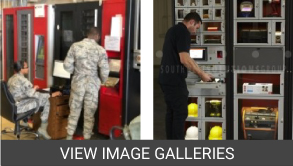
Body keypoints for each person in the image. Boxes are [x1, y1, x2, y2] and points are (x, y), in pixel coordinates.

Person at [158, 12, 213, 140]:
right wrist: (201, 74)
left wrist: (202, 72)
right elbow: (184, 59)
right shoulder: (183, 32)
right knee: (180, 113)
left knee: (171, 112)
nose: (195, 31)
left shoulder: (173, 30)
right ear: (192, 22)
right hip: (174, 80)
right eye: (197, 27)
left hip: (166, 79)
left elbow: (187, 58)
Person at [64, 27, 109, 140]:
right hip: (92, 85)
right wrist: (102, 81)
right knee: (89, 114)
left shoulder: (75, 46)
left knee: (74, 111)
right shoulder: (100, 50)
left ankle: (69, 137)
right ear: (97, 36)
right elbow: (105, 71)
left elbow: (66, 65)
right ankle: (87, 138)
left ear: (87, 35)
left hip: (77, 84)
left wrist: (75, 73)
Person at [7, 60, 62, 140]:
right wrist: (51, 94)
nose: (28, 68)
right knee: (45, 100)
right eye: (27, 67)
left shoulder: (11, 78)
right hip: (20, 107)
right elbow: (33, 95)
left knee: (38, 97)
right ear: (21, 69)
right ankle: (43, 128)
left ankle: (24, 122)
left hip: (13, 106)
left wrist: (33, 89)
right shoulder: (24, 81)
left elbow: (21, 93)